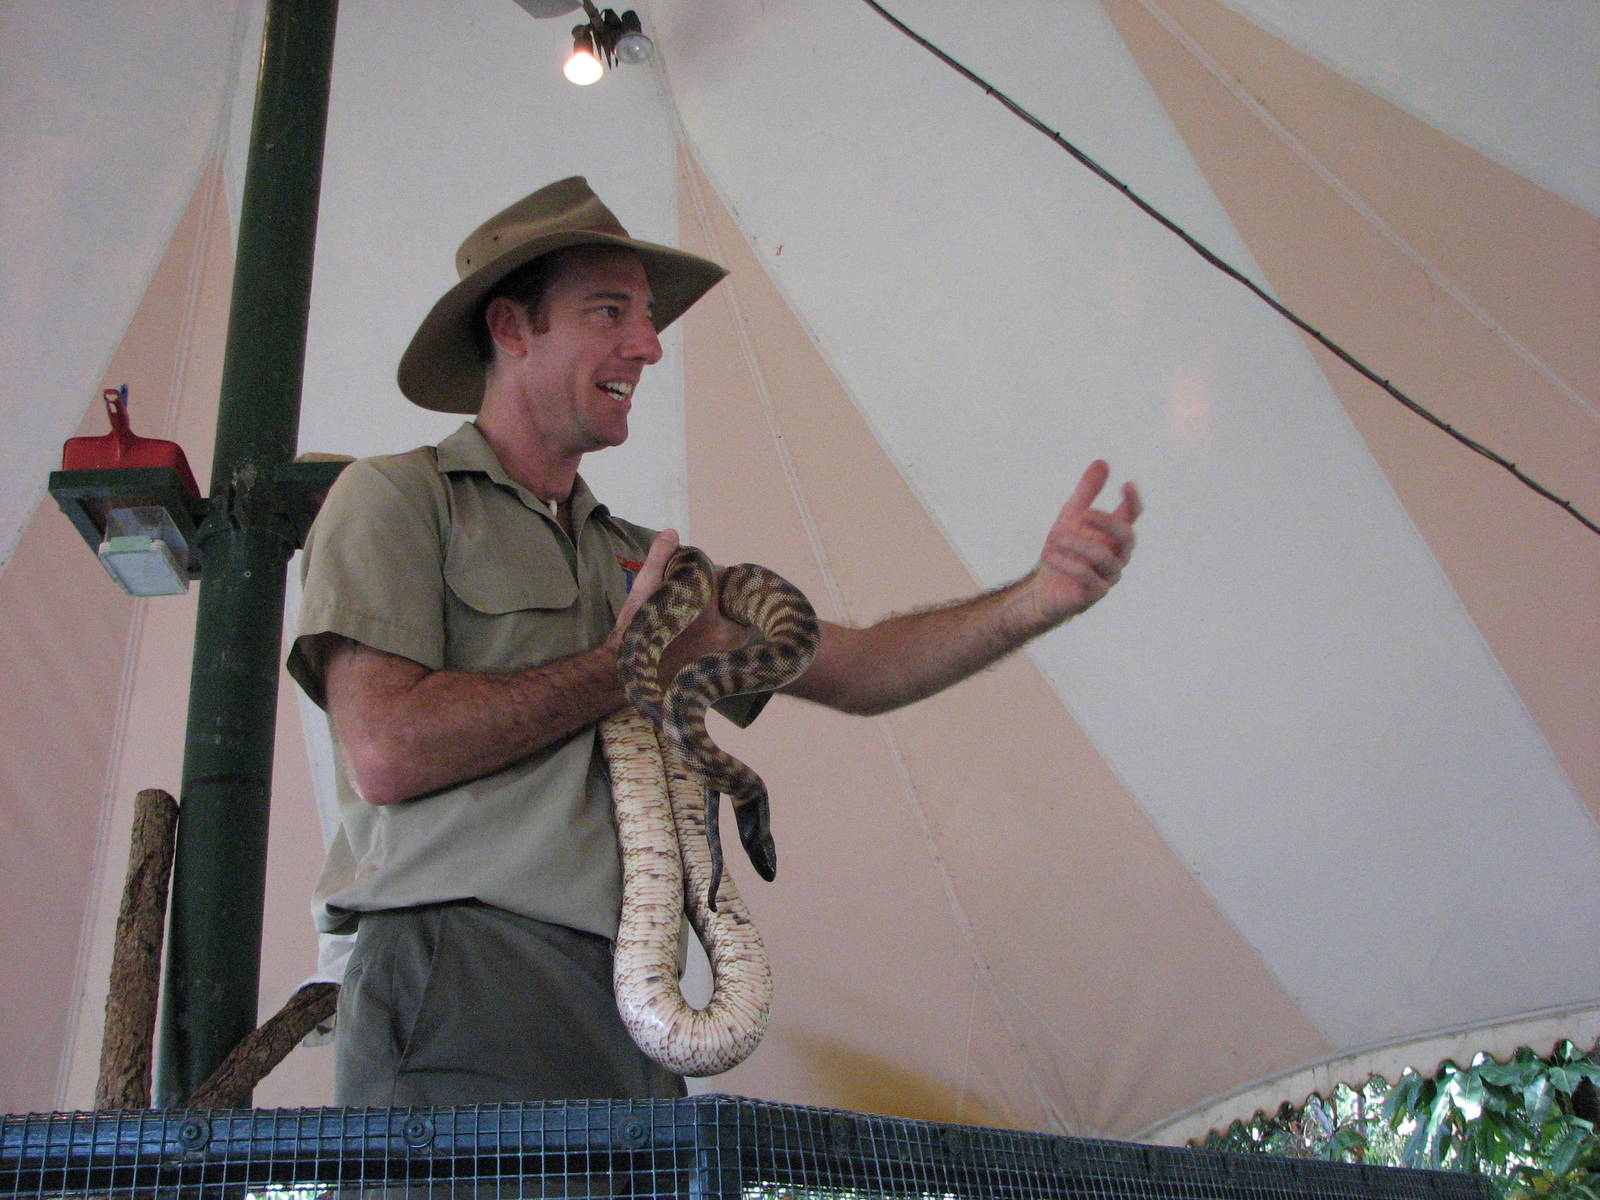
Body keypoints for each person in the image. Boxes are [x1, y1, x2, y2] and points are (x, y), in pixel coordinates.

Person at [288, 176, 1140, 1106]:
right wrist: (627, 665)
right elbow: (385, 750)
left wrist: (1037, 599)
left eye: (648, 319)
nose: (649, 346)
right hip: (460, 969)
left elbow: (861, 669)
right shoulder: (397, 498)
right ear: (510, 326)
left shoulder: (645, 562)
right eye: (609, 312)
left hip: (633, 994)